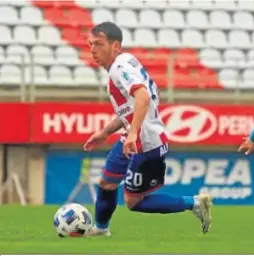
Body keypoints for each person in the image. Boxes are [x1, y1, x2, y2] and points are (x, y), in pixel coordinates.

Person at [83, 22, 212, 237]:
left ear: (115, 46)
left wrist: (133, 133)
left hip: (146, 143)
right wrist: (106, 132)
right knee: (107, 183)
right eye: (90, 44)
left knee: (133, 202)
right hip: (131, 138)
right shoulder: (126, 62)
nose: (92, 50)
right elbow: (132, 105)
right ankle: (100, 229)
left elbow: (142, 95)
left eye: (99, 44)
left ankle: (194, 203)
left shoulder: (119, 68)